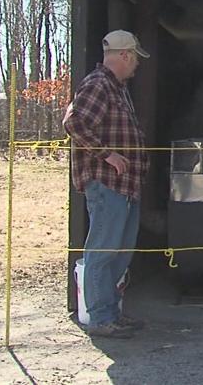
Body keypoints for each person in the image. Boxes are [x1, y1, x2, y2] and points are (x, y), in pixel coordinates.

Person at [63, 29, 151, 339]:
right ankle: (99, 317)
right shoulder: (98, 84)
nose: (137, 65)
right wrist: (108, 154)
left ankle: (111, 312)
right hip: (106, 184)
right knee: (103, 250)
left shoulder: (117, 88)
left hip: (124, 186)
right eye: (135, 58)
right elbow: (73, 122)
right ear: (125, 55)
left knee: (119, 252)